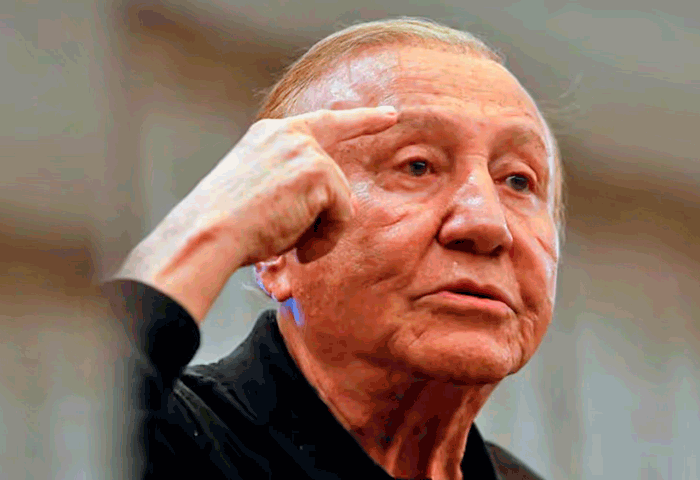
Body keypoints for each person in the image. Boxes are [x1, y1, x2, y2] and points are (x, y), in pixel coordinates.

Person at [106, 17, 563, 480]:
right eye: (417, 166)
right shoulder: (152, 440)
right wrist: (210, 224)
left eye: (518, 181)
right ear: (275, 251)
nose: (486, 224)